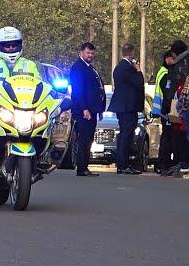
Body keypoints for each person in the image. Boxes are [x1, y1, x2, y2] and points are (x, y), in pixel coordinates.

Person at [69, 42, 106, 177]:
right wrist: (84, 108)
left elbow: (97, 89)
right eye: (88, 53)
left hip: (92, 110)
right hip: (84, 111)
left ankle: (85, 166)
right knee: (84, 139)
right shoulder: (78, 68)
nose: (90, 55)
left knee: (89, 139)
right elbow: (78, 91)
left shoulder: (90, 68)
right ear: (81, 53)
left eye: (92, 53)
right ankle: (81, 168)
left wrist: (100, 109)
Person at [108, 43, 145, 175]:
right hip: (128, 107)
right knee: (126, 135)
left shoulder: (118, 67)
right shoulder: (128, 68)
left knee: (125, 134)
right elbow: (139, 82)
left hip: (122, 106)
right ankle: (123, 164)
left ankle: (122, 163)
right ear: (132, 53)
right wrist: (139, 70)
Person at [152, 50, 177, 173]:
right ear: (167, 59)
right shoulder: (165, 73)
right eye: (174, 58)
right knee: (167, 139)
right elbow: (166, 93)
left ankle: (163, 163)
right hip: (166, 110)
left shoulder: (163, 72)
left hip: (164, 110)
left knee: (167, 138)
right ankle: (163, 164)